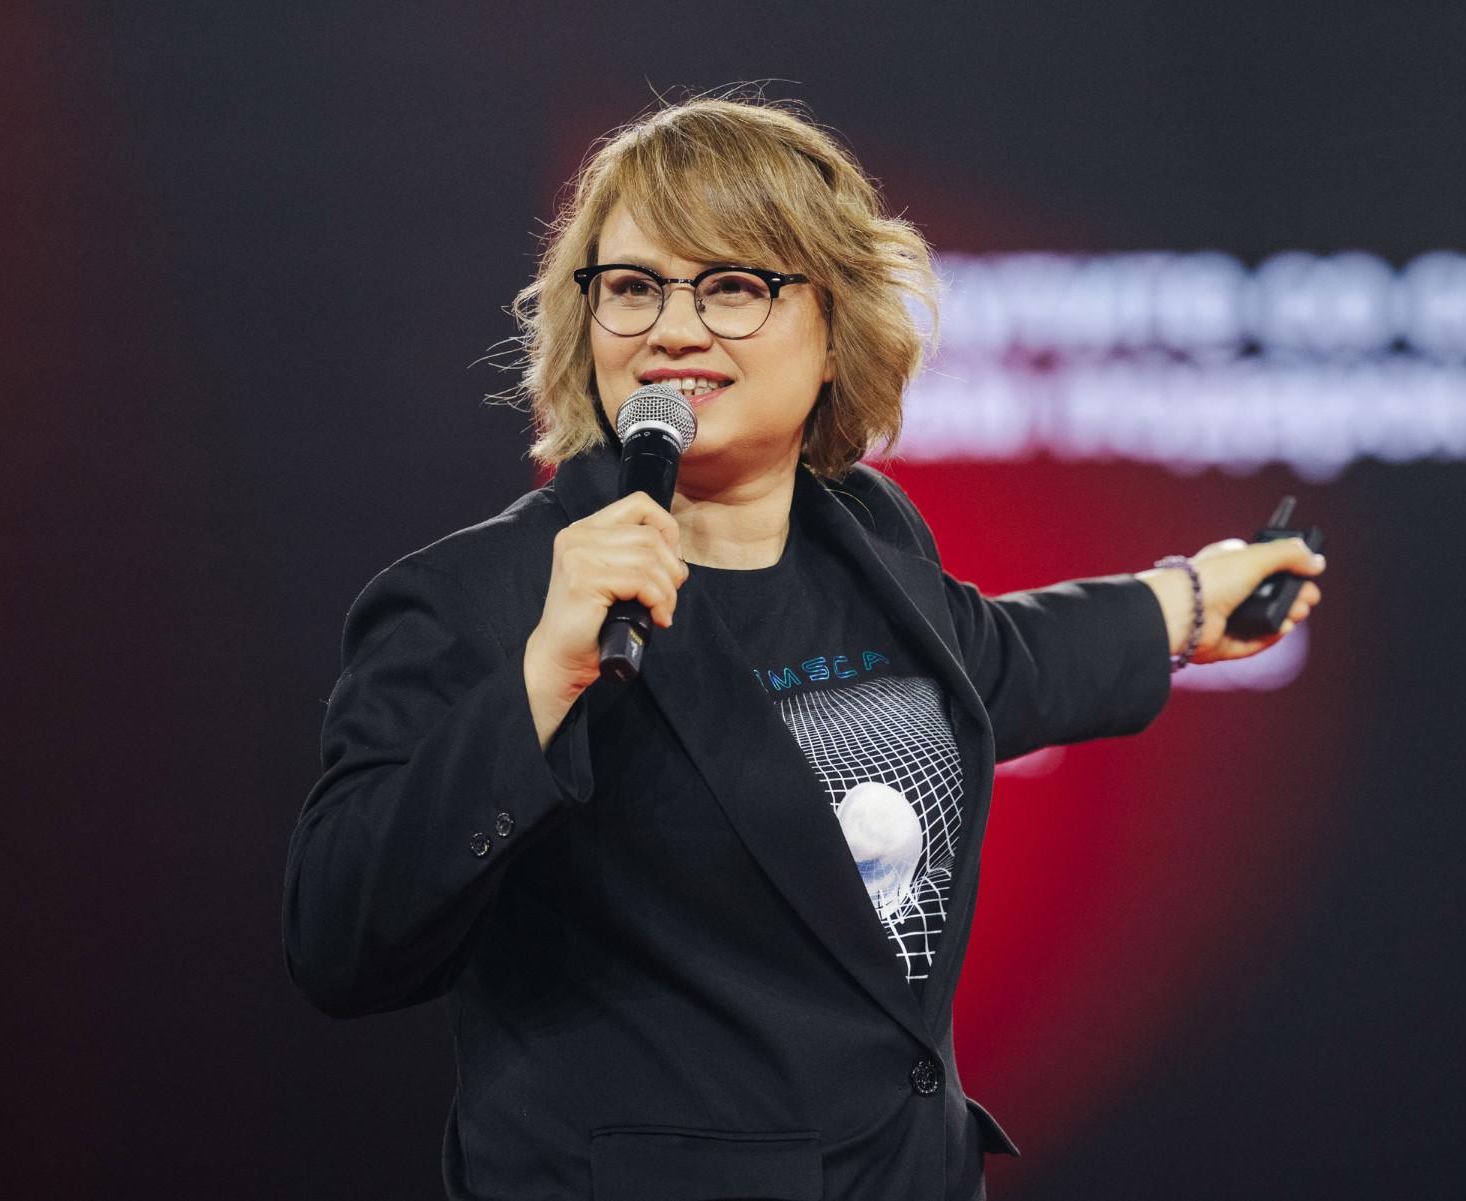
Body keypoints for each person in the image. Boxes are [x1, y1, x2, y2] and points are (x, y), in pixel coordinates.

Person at [282, 95, 1325, 1201]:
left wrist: (1189, 602)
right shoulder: (474, 597)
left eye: (732, 285)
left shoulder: (866, 534)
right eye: (632, 286)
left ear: (835, 330)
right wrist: (543, 680)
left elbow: (989, 664)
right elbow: (338, 936)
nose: (672, 329)